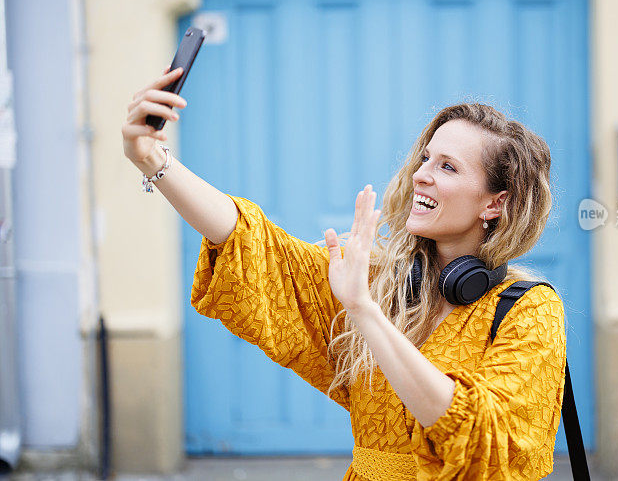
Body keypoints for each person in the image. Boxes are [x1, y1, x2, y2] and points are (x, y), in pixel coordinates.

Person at [123, 66, 567, 480]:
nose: (420, 175)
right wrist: (153, 160)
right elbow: (252, 243)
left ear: (495, 203)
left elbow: (481, 438)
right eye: (426, 158)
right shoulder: (381, 282)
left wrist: (363, 310)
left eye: (447, 166)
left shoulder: (530, 311)